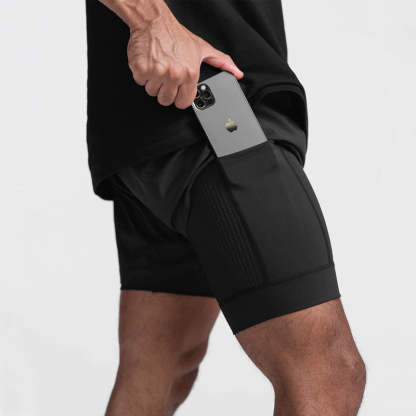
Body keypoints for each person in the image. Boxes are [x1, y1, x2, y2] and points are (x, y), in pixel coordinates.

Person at [85, 0, 366, 414]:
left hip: (164, 115)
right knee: (327, 371)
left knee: (164, 371)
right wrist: (152, 21)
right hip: (208, 104)